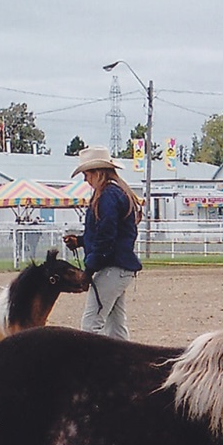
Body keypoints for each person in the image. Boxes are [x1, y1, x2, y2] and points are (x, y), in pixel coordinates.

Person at [63, 145, 143, 340]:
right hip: (120, 267)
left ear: (97, 173)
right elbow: (109, 234)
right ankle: (123, 366)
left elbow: (106, 237)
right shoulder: (117, 193)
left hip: (112, 268)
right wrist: (81, 241)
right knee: (115, 325)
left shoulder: (107, 196)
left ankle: (92, 368)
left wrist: (88, 270)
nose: (85, 179)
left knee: (91, 324)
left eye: (87, 174)